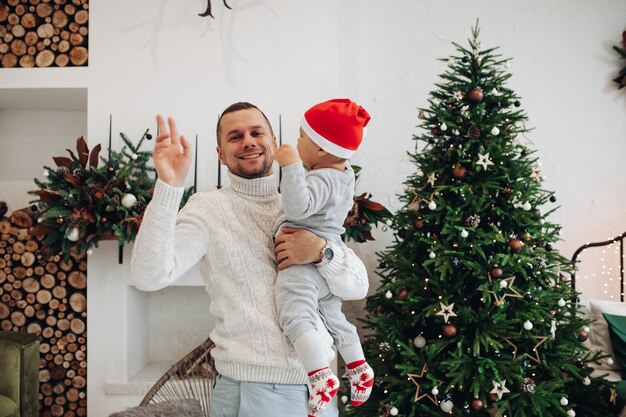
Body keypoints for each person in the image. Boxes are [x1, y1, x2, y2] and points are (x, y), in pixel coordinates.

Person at [130, 102, 369, 417]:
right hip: (251, 390)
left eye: (257, 132)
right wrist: (169, 187)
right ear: (220, 154)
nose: (248, 141)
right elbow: (149, 276)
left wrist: (320, 251)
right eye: (235, 136)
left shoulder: (303, 207)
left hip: (317, 390)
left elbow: (357, 286)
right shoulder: (208, 209)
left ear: (273, 143)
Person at [272, 99, 374, 417]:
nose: (297, 141)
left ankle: (320, 377)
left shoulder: (321, 179)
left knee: (295, 314)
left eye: (302, 136)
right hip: (327, 258)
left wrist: (290, 167)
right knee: (333, 318)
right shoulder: (343, 179)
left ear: (320, 149)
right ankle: (358, 367)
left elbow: (297, 208)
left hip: (302, 265)